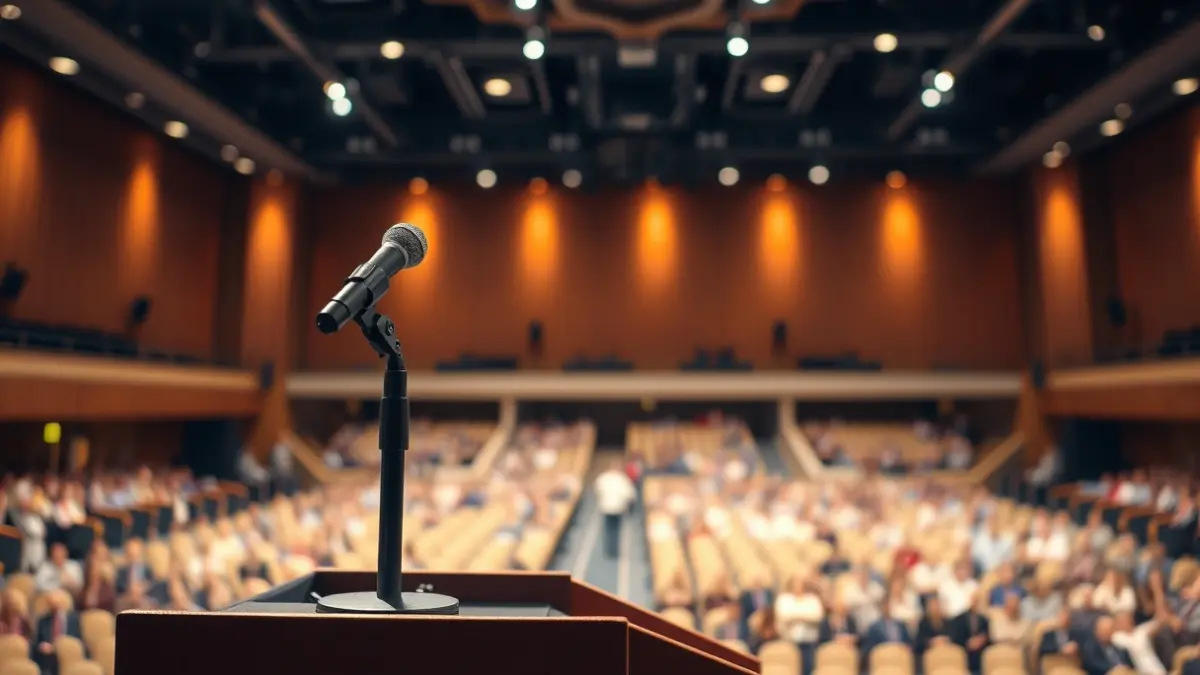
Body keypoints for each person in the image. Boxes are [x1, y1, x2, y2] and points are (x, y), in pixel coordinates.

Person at [34, 589, 82, 675]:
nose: (54, 606)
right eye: (51, 604)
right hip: (49, 656)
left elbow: (78, 639)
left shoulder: (73, 620)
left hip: (68, 653)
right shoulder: (43, 620)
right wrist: (42, 646)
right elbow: (38, 642)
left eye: (56, 603)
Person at [593, 461, 635, 559]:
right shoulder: (622, 479)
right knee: (615, 530)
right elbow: (629, 494)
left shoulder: (604, 478)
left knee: (609, 529)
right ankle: (614, 551)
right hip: (616, 508)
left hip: (608, 507)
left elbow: (597, 490)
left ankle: (609, 550)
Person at [948, 592, 990, 673]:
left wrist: (981, 640)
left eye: (978, 601)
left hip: (980, 657)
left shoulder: (984, 620)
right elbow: (955, 638)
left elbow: (988, 637)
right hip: (964, 654)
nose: (975, 603)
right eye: (974, 600)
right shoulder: (959, 619)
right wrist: (968, 643)